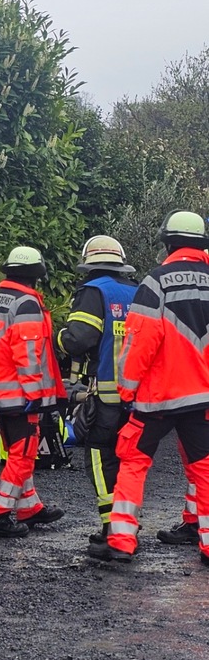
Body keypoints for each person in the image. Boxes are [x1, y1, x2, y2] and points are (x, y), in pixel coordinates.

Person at [89, 211, 209, 565]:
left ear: (168, 243)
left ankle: (122, 540)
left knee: (134, 461)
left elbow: (139, 343)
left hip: (158, 397)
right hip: (202, 396)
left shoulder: (156, 282)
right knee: (204, 468)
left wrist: (127, 392)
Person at [0, 245, 66, 537]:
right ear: (35, 276)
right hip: (20, 395)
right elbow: (27, 353)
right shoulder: (26, 303)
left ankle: (29, 508)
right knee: (24, 453)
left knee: (19, 449)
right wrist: (35, 394)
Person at [57, 235, 137, 549]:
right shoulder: (137, 290)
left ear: (88, 264)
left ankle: (112, 531)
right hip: (137, 398)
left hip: (106, 398)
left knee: (100, 460)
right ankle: (127, 526)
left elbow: (79, 339)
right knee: (129, 463)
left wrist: (58, 337)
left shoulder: (93, 291)